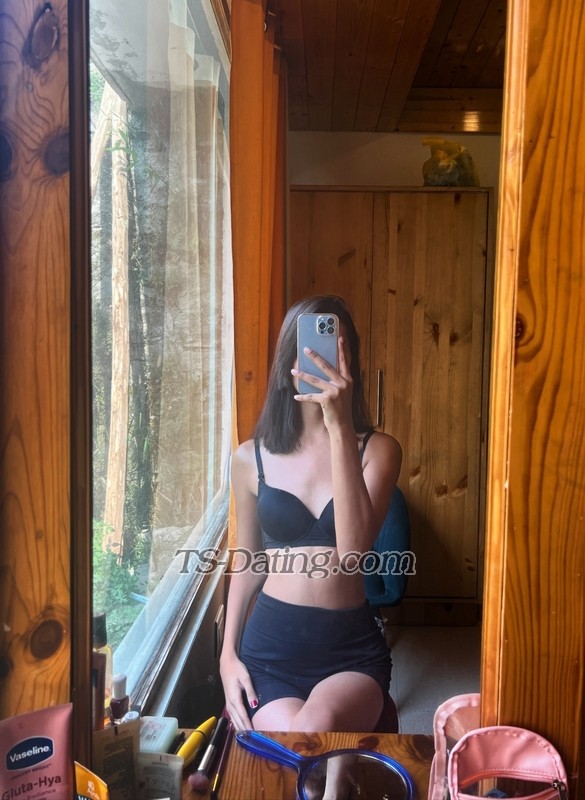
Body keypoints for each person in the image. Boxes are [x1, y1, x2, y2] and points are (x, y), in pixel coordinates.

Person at [220, 295, 402, 733]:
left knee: (314, 730)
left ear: (351, 363)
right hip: (269, 652)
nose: (322, 360)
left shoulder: (378, 451)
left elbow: (353, 553)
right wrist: (226, 656)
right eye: (310, 348)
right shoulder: (249, 458)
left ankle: (340, 764)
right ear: (289, 360)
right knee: (302, 757)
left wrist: (339, 424)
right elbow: (249, 561)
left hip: (350, 652)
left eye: (336, 349)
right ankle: (340, 766)